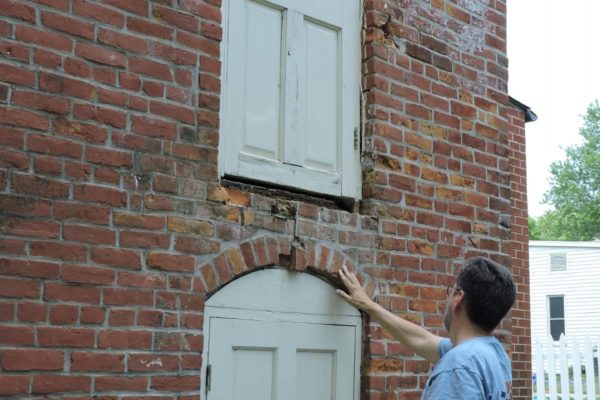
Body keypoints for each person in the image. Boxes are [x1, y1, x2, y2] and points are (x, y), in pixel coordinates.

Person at [336, 256, 516, 399]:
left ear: (458, 298)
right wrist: (369, 306)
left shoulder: (459, 366)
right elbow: (422, 340)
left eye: (450, 291)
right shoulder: (494, 354)